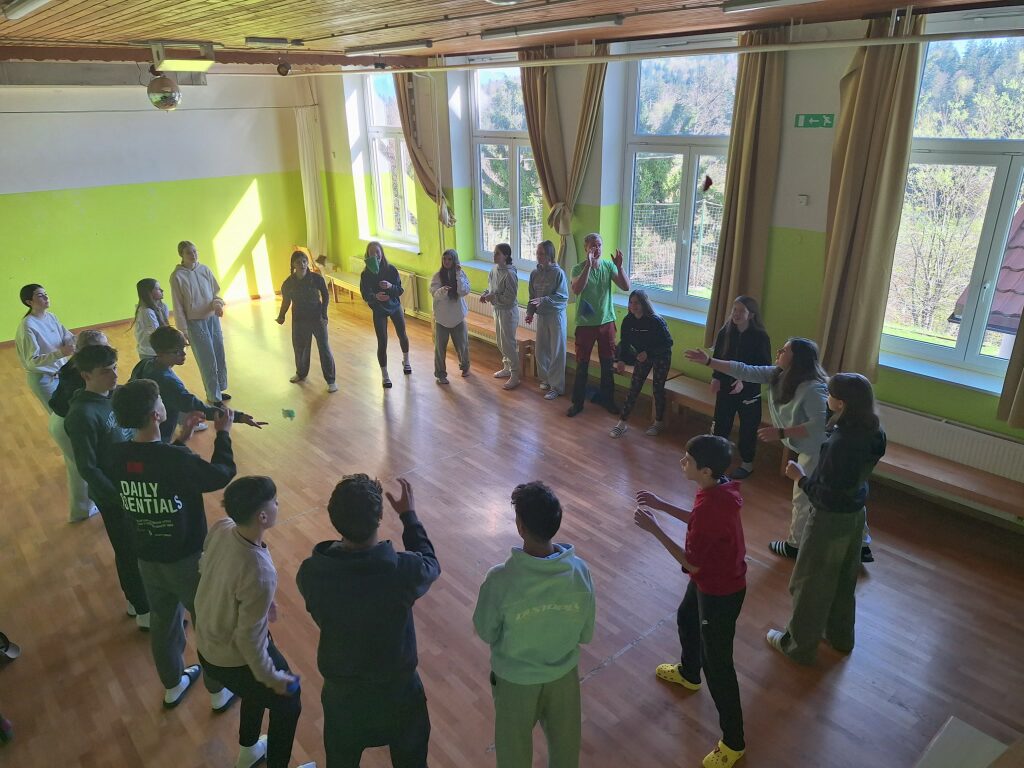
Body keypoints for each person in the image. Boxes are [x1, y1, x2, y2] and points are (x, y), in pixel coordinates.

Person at [108, 379, 237, 712]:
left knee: (163, 623)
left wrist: (181, 438)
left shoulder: (117, 455)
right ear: (156, 414)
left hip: (146, 557)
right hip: (186, 560)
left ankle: (172, 685)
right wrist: (223, 434)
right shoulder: (174, 459)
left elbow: (151, 466)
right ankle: (218, 691)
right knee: (206, 621)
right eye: (160, 401)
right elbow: (220, 474)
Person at [297, 476, 439, 767]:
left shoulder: (310, 573)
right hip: (400, 694)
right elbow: (430, 562)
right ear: (379, 517)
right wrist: (409, 517)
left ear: (334, 519)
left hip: (343, 697)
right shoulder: (404, 571)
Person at [685, 338, 867, 560]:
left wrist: (781, 432)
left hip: (820, 450)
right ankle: (862, 544)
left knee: (802, 497)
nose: (779, 351)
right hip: (814, 448)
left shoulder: (813, 388)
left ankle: (795, 545)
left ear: (797, 358)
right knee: (847, 493)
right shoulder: (778, 374)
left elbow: (818, 425)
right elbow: (744, 370)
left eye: (785, 350)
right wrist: (709, 361)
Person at [634, 436, 747, 768]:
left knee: (718, 666)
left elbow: (692, 563)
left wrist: (655, 529)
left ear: (706, 470)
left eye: (687, 460)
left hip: (720, 592)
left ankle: (734, 742)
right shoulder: (718, 489)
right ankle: (688, 672)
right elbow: (700, 521)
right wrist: (662, 505)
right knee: (686, 617)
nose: (682, 462)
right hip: (710, 580)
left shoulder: (713, 505)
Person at [473, 481, 595, 768]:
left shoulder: (500, 580)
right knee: (566, 754)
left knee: (513, 755)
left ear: (520, 526)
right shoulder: (580, 571)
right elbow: (586, 634)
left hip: (515, 683)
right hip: (564, 677)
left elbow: (486, 631)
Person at [766, 373, 886, 665]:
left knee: (809, 581)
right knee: (843, 579)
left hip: (829, 520)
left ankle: (797, 645)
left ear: (841, 403)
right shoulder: (874, 431)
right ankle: (840, 636)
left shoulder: (841, 443)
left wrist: (800, 478)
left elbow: (826, 495)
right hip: (855, 515)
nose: (827, 398)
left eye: (830, 394)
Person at [196, 476, 315, 768]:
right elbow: (249, 641)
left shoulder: (223, 526)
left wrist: (259, 603)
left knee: (256, 689)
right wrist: (274, 679)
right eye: (274, 501)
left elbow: (207, 565)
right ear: (262, 516)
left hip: (207, 646)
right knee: (289, 701)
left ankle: (249, 750)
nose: (278, 504)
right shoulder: (260, 571)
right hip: (231, 658)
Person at [63, 344, 150, 628]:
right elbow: (88, 467)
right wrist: (119, 498)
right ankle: (143, 611)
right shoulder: (82, 415)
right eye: (105, 372)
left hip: (129, 487)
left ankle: (136, 599)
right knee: (128, 551)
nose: (114, 375)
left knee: (137, 546)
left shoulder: (111, 397)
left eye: (114, 368)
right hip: (115, 497)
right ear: (86, 375)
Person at [15, 284, 96, 522]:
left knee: (70, 427)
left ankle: (74, 457)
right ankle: (79, 492)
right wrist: (61, 353)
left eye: (46, 293)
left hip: (60, 376)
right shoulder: (27, 327)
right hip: (44, 380)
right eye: (40, 295)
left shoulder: (50, 317)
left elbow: (67, 336)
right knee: (64, 424)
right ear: (29, 302)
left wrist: (78, 341)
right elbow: (31, 361)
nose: (45, 297)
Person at [132, 326, 265, 443]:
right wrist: (238, 417)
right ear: (160, 353)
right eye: (176, 351)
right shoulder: (168, 382)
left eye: (184, 348)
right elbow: (198, 407)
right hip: (157, 435)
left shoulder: (145, 363)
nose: (183, 353)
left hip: (139, 429)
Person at [567, 233, 630, 417]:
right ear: (586, 248)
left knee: (607, 365)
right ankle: (577, 403)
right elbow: (577, 289)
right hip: (586, 324)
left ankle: (608, 400)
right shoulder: (578, 268)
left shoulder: (608, 266)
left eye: (599, 245)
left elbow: (626, 286)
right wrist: (588, 265)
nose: (597, 248)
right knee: (582, 365)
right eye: (593, 245)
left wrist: (620, 267)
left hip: (606, 321)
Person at [709, 297, 772, 480]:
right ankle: (718, 459)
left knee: (748, 428)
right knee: (721, 423)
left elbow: (764, 367)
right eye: (734, 310)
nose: (736, 314)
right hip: (726, 388)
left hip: (749, 391)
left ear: (751, 315)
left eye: (741, 311)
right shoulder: (725, 332)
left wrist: (745, 381)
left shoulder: (760, 337)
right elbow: (718, 358)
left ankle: (747, 463)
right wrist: (716, 377)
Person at [170, 240, 230, 405]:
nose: (193, 255)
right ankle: (213, 395)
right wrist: (183, 330)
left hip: (212, 319)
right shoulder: (177, 276)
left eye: (195, 251)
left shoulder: (205, 270)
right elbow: (178, 305)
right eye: (189, 252)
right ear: (182, 255)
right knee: (206, 359)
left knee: (218, 354)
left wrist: (217, 305)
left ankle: (220, 389)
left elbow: (215, 293)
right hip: (195, 323)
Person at [610, 290, 674, 439]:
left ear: (644, 304)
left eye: (637, 303)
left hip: (661, 356)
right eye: (631, 302)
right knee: (634, 387)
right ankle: (622, 423)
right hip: (643, 357)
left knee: (658, 389)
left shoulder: (656, 321)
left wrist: (648, 353)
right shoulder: (628, 320)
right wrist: (621, 360)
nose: (633, 306)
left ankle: (658, 422)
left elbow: (668, 343)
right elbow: (625, 342)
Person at [276, 250, 337, 393]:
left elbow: (325, 296)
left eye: (304, 261)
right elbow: (286, 301)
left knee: (324, 348)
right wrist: (281, 315)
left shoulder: (316, 279)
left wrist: (324, 314)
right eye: (299, 262)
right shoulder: (288, 283)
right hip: (299, 319)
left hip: (317, 317)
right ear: (293, 265)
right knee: (300, 348)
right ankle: (301, 373)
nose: (302, 264)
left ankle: (331, 381)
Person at [360, 242, 412, 389]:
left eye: (377, 252)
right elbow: (365, 294)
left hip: (394, 307)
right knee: (382, 341)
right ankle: (385, 375)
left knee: (402, 334)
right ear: (368, 255)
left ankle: (406, 361)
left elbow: (399, 290)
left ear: (382, 253)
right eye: (372, 253)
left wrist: (390, 286)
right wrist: (375, 296)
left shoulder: (391, 270)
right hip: (379, 309)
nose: (375, 255)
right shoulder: (366, 274)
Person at [525, 241, 568, 401]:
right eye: (537, 253)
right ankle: (547, 379)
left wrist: (545, 300)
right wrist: (530, 312)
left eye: (541, 253)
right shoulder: (534, 274)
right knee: (541, 350)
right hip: (542, 316)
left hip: (556, 316)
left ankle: (557, 387)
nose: (538, 256)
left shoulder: (558, 273)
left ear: (550, 255)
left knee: (556, 351)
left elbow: (563, 297)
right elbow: (532, 296)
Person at [481, 242, 520, 391]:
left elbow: (510, 297)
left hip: (508, 312)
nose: (494, 255)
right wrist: (485, 294)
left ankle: (515, 375)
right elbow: (491, 288)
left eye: (497, 253)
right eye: (494, 252)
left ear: (506, 256)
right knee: (500, 342)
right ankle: (507, 368)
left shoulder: (510, 274)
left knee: (508, 344)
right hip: (497, 310)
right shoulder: (494, 270)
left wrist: (493, 298)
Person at [428, 248, 471, 384]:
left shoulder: (461, 274)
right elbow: (434, 293)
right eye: (444, 259)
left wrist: (458, 274)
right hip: (442, 319)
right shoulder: (437, 276)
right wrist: (442, 291)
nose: (446, 262)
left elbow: (463, 291)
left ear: (455, 260)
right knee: (440, 349)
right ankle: (441, 374)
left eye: (449, 259)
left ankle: (465, 367)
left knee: (462, 346)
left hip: (458, 317)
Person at [133, 278, 171, 361]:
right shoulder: (146, 312)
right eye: (157, 288)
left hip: (160, 351)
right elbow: (155, 335)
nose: (162, 290)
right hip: (150, 353)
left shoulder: (163, 307)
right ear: (148, 293)